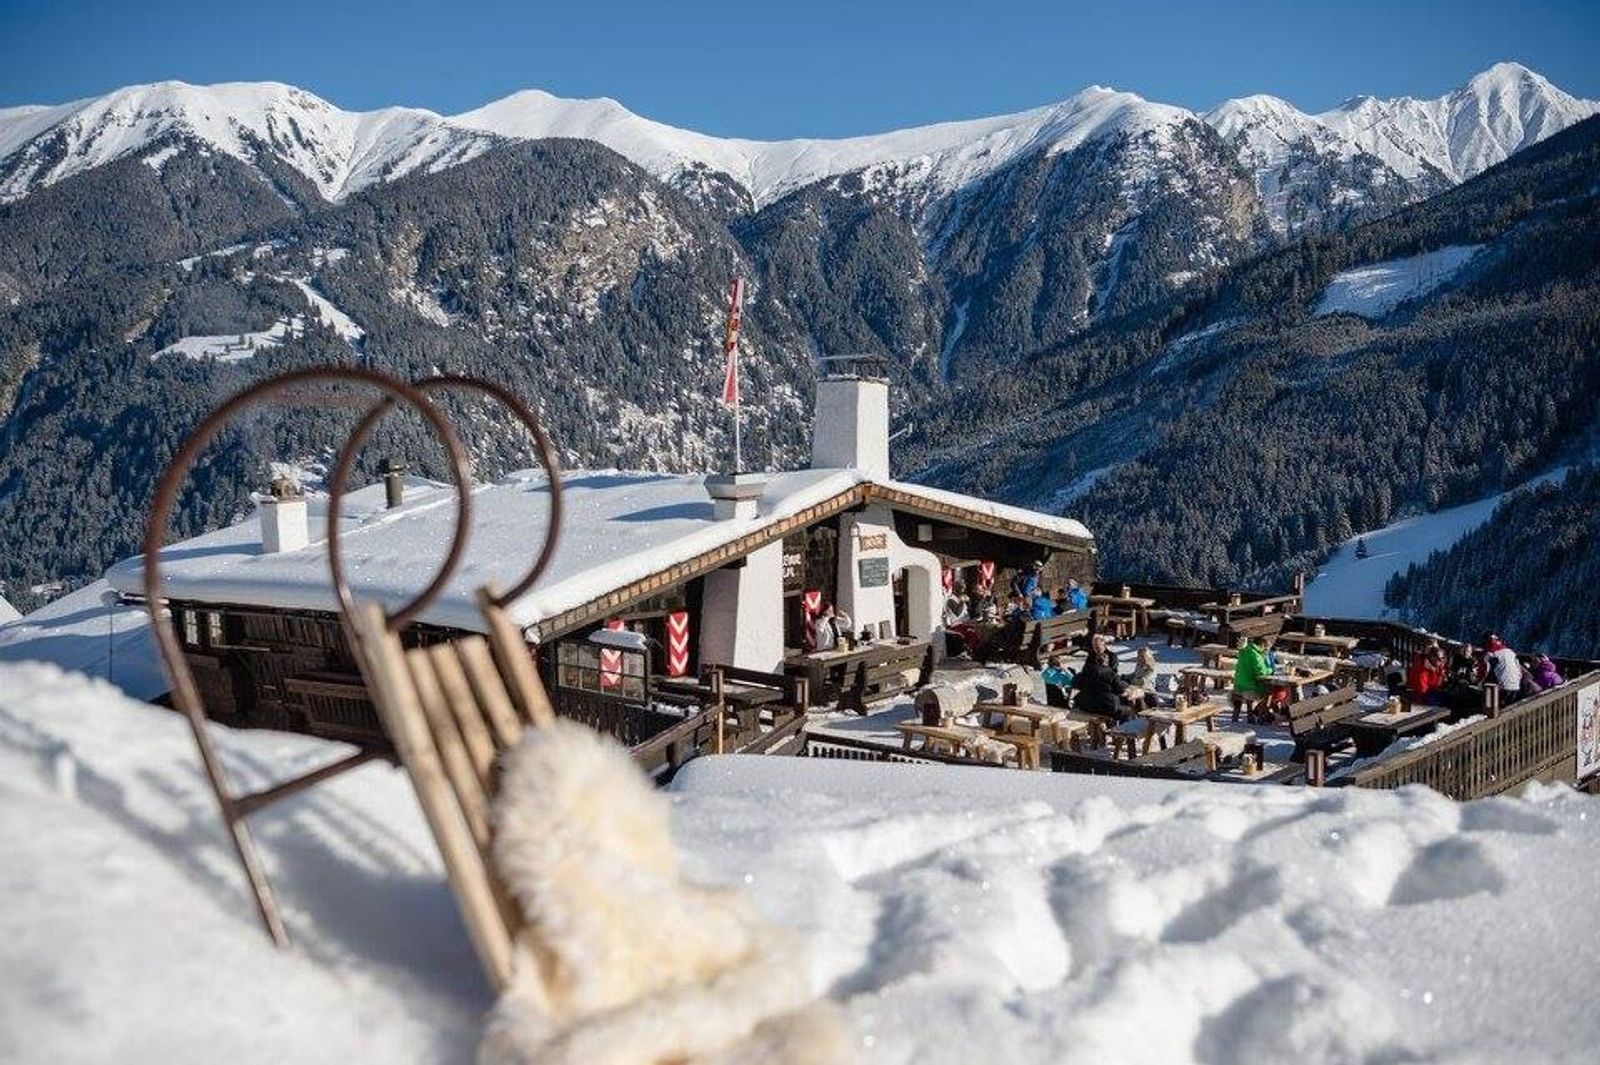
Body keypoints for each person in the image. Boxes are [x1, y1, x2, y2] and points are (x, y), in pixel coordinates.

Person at [1073, 634, 1131, 720]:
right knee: (1125, 708)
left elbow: (1113, 672)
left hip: (1092, 699)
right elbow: (1118, 684)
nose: (1096, 649)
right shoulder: (1091, 656)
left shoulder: (1111, 656)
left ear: (1104, 645)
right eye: (1094, 646)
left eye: (1098, 646)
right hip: (1102, 701)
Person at [1231, 635, 1272, 721]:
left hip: (1237, 685)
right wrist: (1270, 670)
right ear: (1262, 645)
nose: (1267, 649)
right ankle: (1262, 716)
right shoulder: (1256, 655)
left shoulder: (1244, 650)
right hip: (1249, 687)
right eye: (1266, 647)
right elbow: (1262, 672)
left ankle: (1243, 715)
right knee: (1268, 692)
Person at [1478, 633, 1524, 706]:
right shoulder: (1511, 652)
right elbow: (1520, 672)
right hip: (1516, 687)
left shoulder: (1490, 654)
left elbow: (1484, 673)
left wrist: (1479, 686)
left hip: (1502, 690)